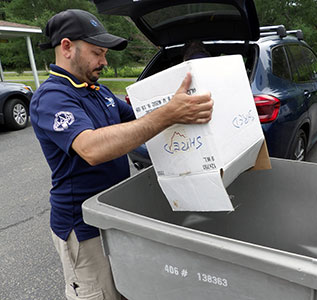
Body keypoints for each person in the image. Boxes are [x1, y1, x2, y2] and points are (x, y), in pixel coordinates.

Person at [30, 9, 213, 300]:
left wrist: (182, 103)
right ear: (66, 47)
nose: (104, 61)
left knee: (126, 289)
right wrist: (168, 114)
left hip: (114, 217)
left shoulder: (98, 91)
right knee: (100, 294)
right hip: (84, 227)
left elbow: (142, 120)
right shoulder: (51, 96)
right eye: (97, 53)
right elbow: (91, 148)